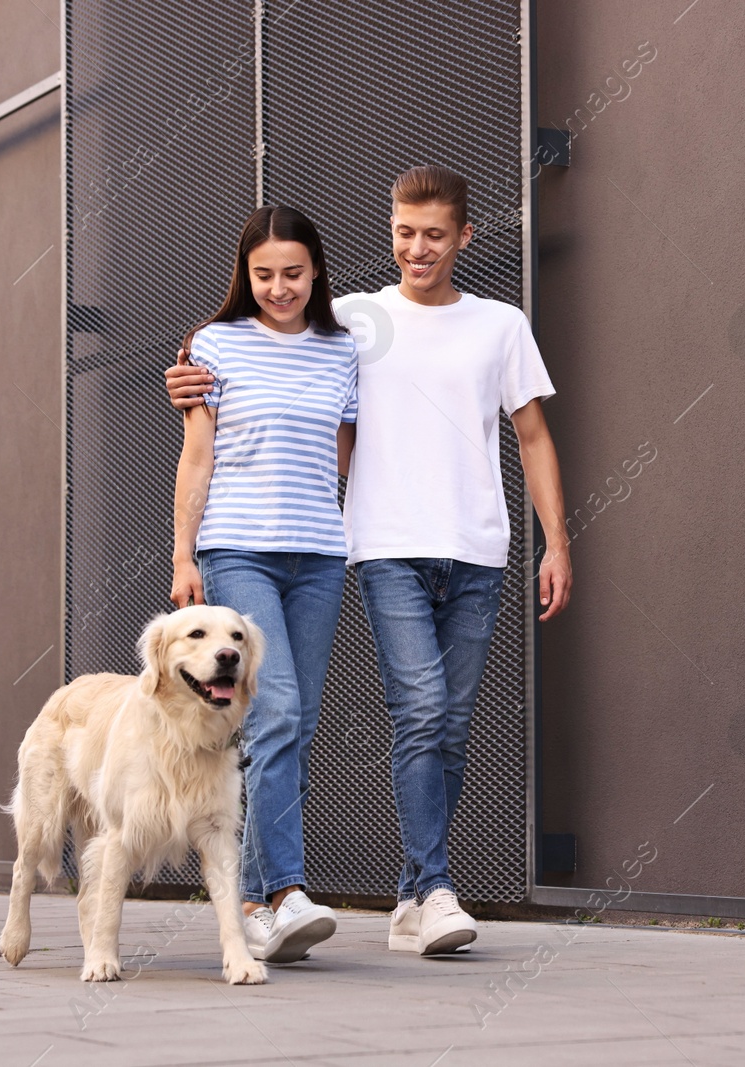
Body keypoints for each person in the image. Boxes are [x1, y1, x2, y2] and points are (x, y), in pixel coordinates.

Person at [167, 165, 573, 956]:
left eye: (432, 233)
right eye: (402, 231)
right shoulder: (353, 322)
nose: (416, 248)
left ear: (464, 236)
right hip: (371, 547)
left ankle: (410, 898)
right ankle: (315, 891)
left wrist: (558, 541)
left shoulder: (473, 326)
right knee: (373, 711)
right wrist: (183, 386)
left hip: (431, 549)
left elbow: (527, 436)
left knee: (440, 725)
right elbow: (234, 393)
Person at [169, 205, 358, 964]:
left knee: (296, 722)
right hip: (239, 547)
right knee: (273, 708)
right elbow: (197, 456)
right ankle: (280, 891)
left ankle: (250, 899)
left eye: (293, 274)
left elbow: (348, 459)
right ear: (244, 277)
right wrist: (184, 555)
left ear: (316, 273)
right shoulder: (214, 345)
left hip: (318, 554)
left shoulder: (343, 350)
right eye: (264, 275)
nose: (279, 288)